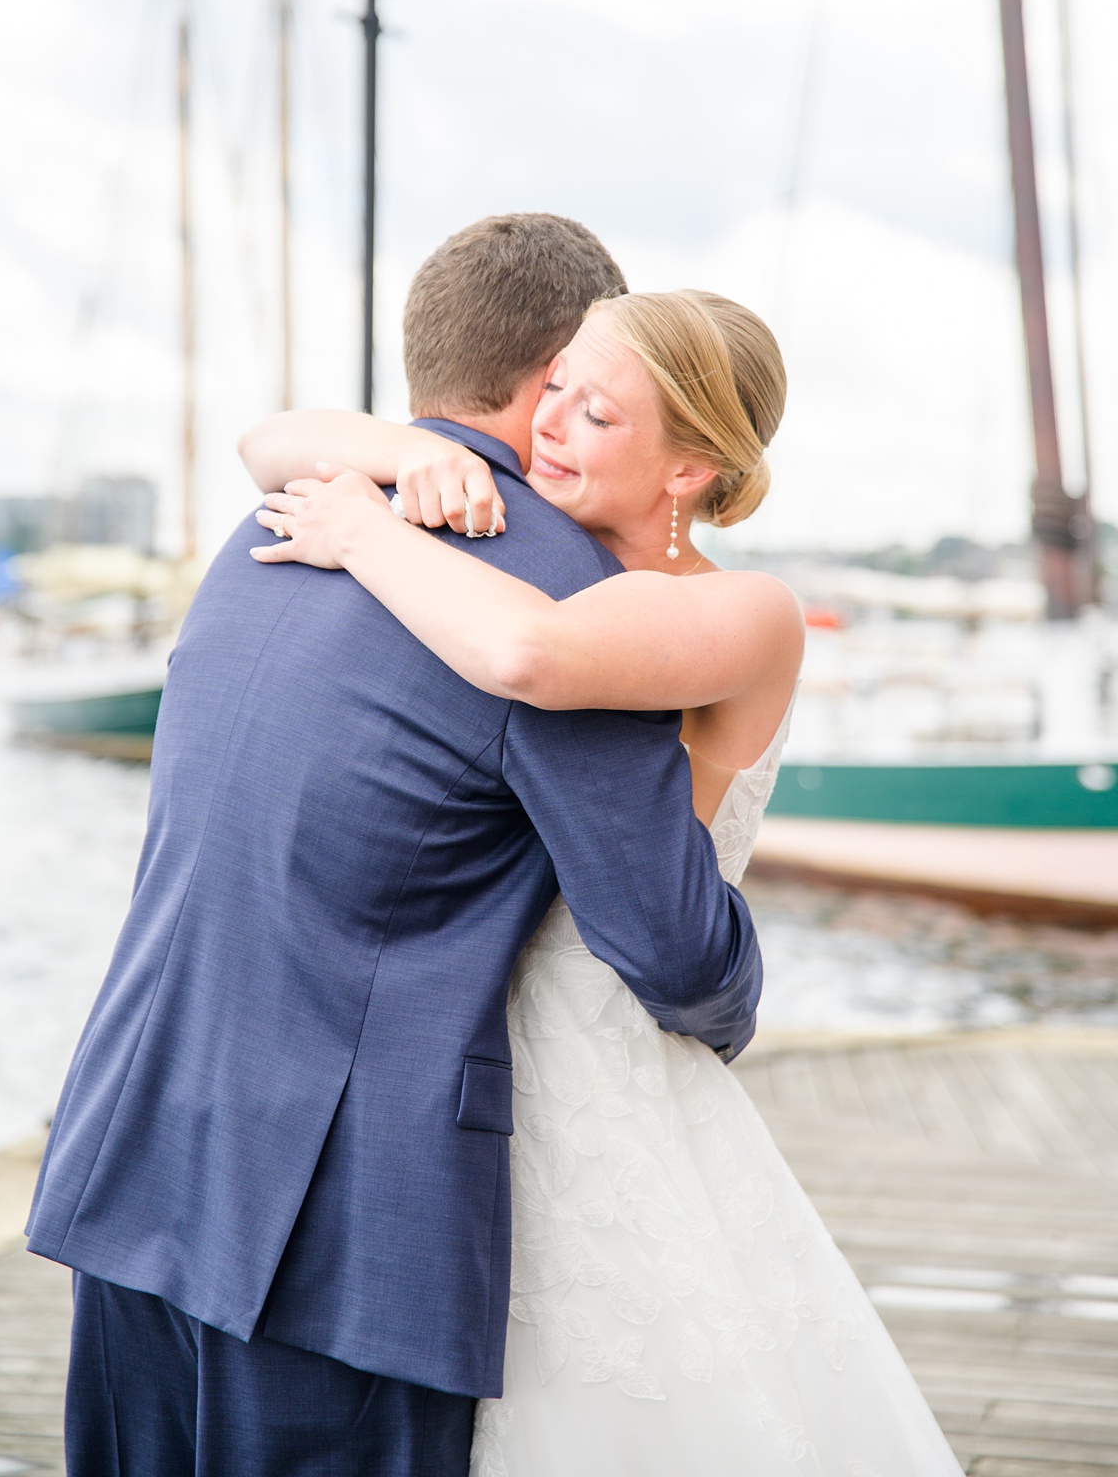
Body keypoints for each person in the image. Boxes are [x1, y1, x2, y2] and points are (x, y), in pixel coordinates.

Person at [28, 213, 763, 1477]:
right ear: (551, 380)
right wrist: (736, 997)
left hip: (136, 1150)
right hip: (333, 1233)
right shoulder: (553, 593)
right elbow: (670, 945)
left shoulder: (272, 520)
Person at [247, 286, 963, 1476]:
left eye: (601, 415)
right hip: (471, 1050)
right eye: (558, 388)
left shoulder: (744, 612)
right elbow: (267, 442)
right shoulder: (529, 534)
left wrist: (365, 532)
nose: (552, 425)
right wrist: (410, 452)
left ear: (689, 472)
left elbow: (531, 654)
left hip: (602, 1053)